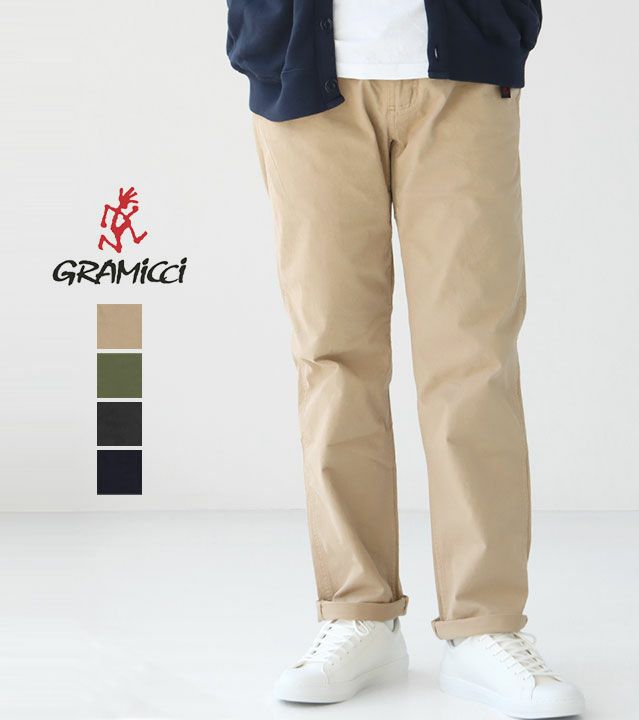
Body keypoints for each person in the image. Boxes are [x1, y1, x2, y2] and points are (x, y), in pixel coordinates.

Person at [227, 1, 585, 717]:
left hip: (464, 66)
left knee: (473, 358)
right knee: (332, 355)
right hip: (300, 66)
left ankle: (483, 622)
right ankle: (357, 611)